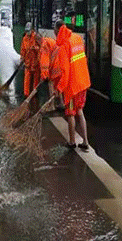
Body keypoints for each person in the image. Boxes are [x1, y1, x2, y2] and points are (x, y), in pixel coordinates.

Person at [51, 20, 91, 151]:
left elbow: (65, 73)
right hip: (83, 82)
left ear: (58, 30)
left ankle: (72, 141)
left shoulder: (64, 46)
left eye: (54, 31)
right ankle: (85, 142)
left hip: (73, 87)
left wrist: (59, 88)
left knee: (71, 113)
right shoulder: (77, 38)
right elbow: (83, 59)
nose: (54, 33)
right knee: (80, 111)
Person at [20, 22, 41, 97]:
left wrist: (35, 48)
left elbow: (41, 48)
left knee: (36, 80)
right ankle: (26, 94)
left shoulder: (36, 37)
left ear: (32, 30)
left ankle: (34, 94)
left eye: (28, 31)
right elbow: (23, 50)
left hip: (35, 62)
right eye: (26, 31)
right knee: (27, 79)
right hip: (28, 62)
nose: (27, 32)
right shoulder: (24, 38)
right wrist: (22, 58)